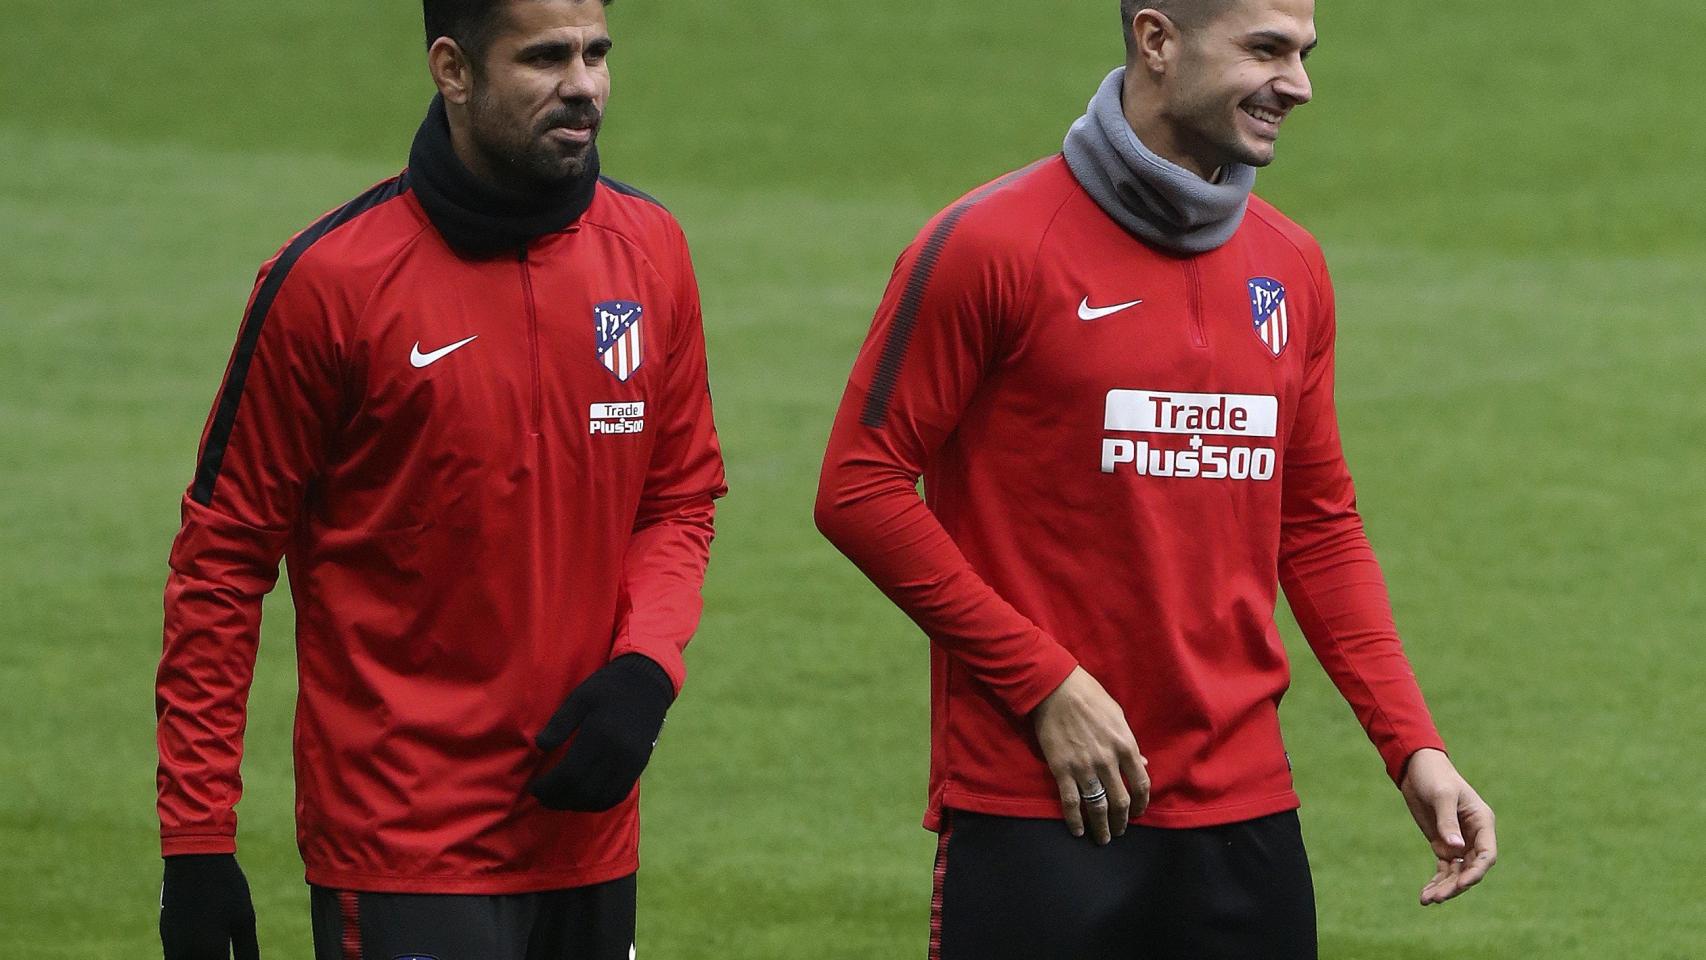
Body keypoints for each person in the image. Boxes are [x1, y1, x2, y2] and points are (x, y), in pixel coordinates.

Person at [814, 0, 1495, 956]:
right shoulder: (991, 244)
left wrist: (1413, 745)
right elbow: (859, 486)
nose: (1297, 83)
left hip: (1245, 813)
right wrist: (1044, 683)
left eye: (1302, 53)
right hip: (1040, 804)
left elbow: (1316, 524)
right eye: (1265, 49)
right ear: (1158, 41)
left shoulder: (1291, 267)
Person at [154, 0, 725, 956]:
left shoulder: (650, 252)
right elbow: (221, 565)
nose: (583, 85)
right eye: (544, 58)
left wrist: (647, 665)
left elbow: (677, 497)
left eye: (596, 53)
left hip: (586, 837)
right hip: (400, 849)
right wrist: (198, 843)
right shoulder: (328, 285)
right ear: (453, 70)